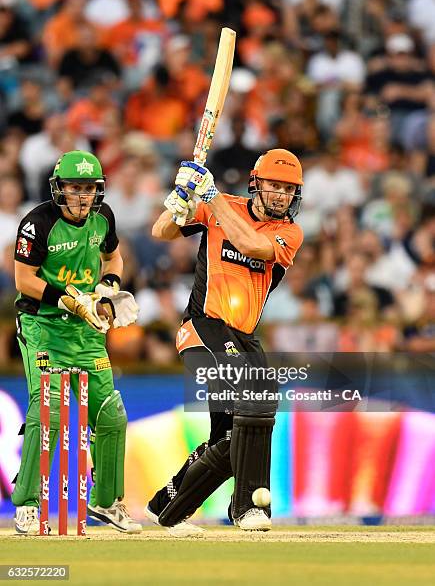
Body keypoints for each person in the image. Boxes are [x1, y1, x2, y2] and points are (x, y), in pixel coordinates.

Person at [147, 148, 304, 534]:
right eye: (274, 185)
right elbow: (161, 231)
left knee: (233, 436)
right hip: (205, 326)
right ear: (256, 183)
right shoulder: (222, 205)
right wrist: (180, 202)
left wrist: (210, 196)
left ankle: (166, 507)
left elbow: (252, 245)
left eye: (288, 189)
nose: (281, 194)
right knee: (258, 394)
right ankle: (249, 505)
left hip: (244, 336)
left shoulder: (289, 232)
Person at [12, 150, 141, 535]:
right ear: (59, 188)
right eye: (74, 188)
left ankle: (106, 502)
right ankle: (29, 505)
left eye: (88, 189)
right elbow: (24, 280)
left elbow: (114, 259)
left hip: (85, 329)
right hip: (42, 324)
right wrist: (71, 299)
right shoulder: (38, 223)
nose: (81, 196)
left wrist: (107, 289)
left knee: (111, 412)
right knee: (47, 409)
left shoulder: (104, 218)